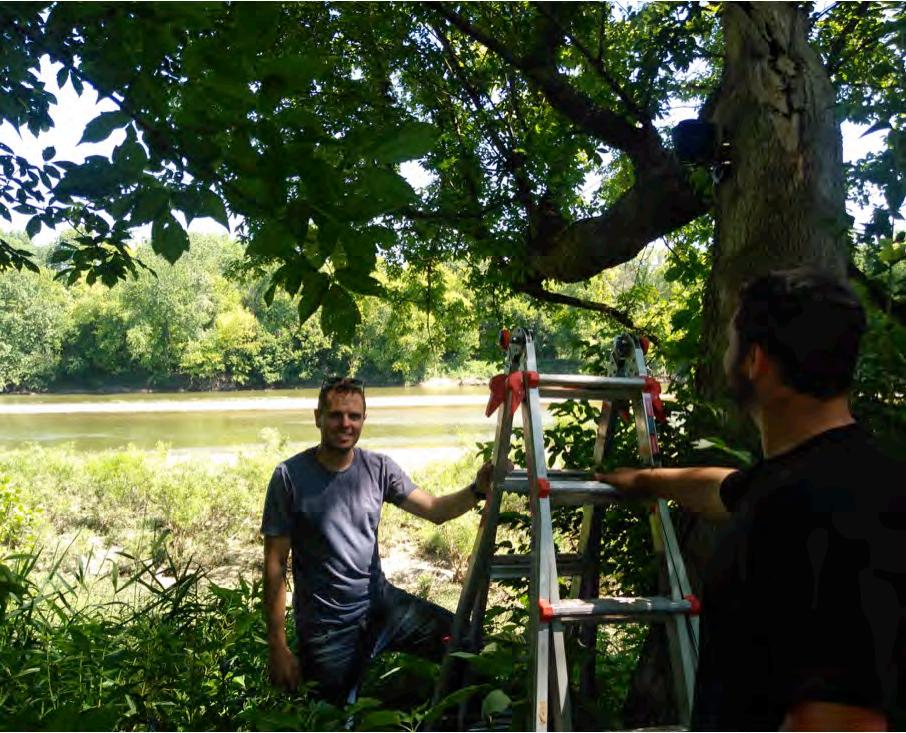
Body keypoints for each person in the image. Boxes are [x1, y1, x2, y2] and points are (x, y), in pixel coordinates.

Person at [598, 269, 905, 730]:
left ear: (755, 359)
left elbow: (843, 721)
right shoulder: (829, 479)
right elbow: (723, 489)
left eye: (730, 343)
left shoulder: (821, 512)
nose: (726, 354)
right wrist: (644, 479)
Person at [261, 376, 493, 705]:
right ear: (318, 418)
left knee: (466, 645)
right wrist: (277, 644)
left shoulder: (379, 468)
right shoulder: (289, 477)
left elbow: (435, 510)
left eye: (354, 416)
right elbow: (274, 565)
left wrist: (477, 490)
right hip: (327, 629)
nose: (346, 424)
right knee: (334, 719)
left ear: (364, 419)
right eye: (336, 415)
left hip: (382, 607)